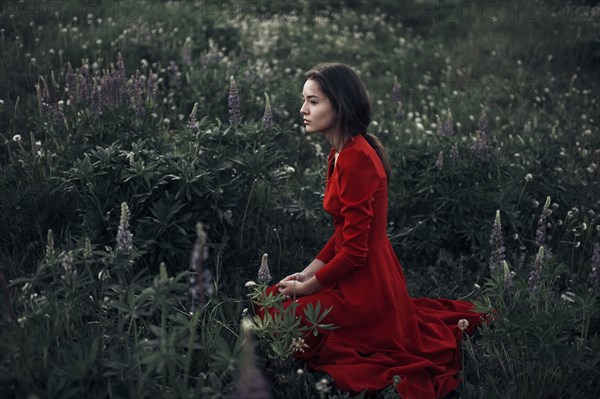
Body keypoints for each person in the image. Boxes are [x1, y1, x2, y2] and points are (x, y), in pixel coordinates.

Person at [258, 62, 486, 399]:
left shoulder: (356, 159)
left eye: (313, 101)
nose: (302, 110)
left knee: (279, 314)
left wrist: (309, 289)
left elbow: (354, 251)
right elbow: (343, 234)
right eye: (304, 100)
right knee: (274, 301)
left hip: (366, 284)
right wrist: (307, 274)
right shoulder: (339, 154)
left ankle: (366, 326)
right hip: (357, 273)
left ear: (340, 105)